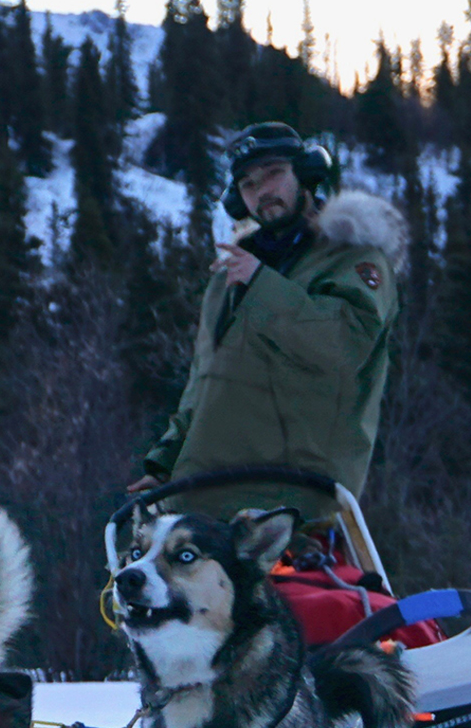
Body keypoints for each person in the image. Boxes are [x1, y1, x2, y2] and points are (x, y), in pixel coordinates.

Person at [133, 123, 406, 533]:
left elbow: (341, 346)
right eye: (248, 184)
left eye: (274, 173)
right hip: (201, 496)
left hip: (293, 498)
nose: (262, 190)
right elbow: (203, 384)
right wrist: (164, 465)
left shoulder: (354, 259)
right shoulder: (230, 277)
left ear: (307, 174)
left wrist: (260, 284)